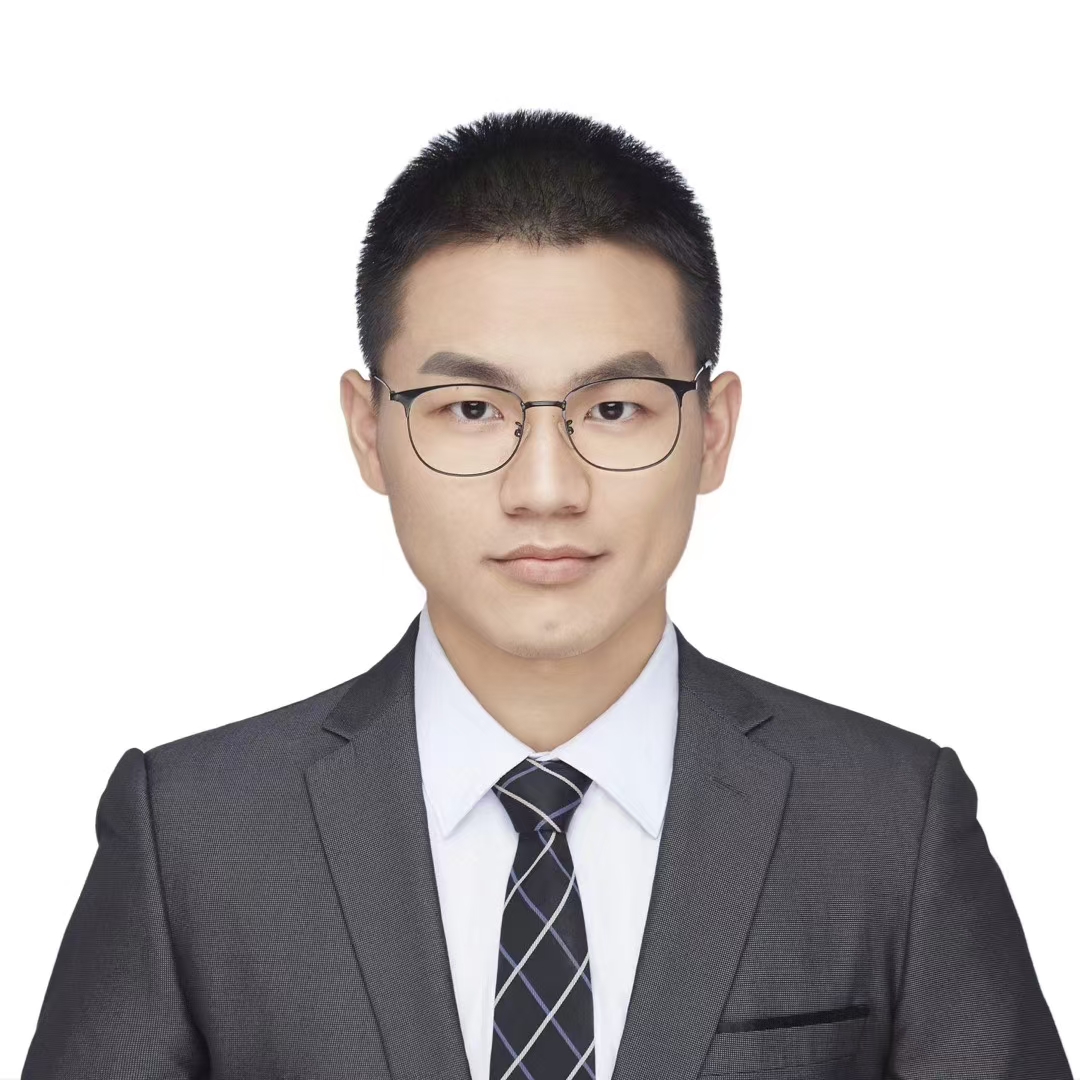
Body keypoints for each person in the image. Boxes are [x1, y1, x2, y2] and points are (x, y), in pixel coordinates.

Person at [22, 108, 1072, 1080]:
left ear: (712, 432)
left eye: (614, 409)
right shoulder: (194, 836)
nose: (545, 489)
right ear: (368, 431)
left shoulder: (888, 824)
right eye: (471, 408)